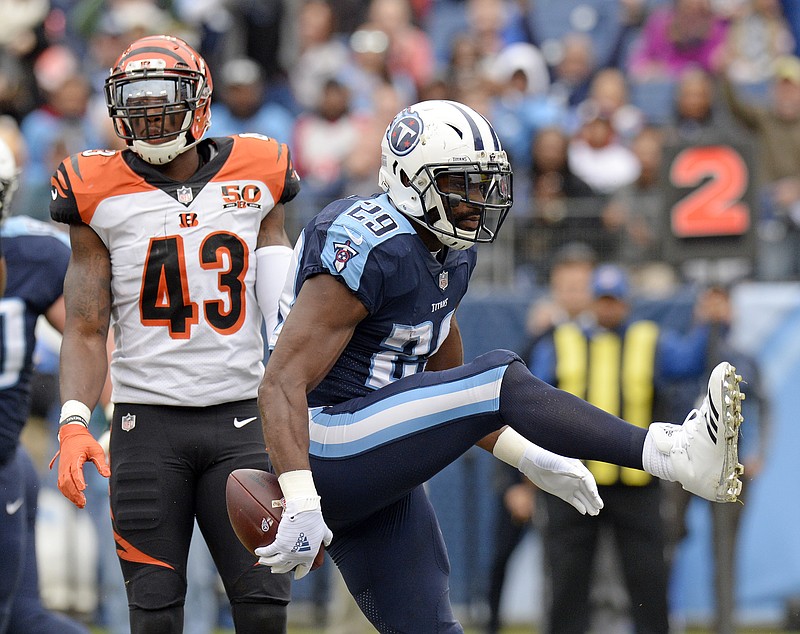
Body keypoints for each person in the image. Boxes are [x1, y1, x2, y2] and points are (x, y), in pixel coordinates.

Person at [254, 99, 745, 633]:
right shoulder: (369, 240)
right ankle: (669, 453)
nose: (477, 200)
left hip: (374, 459)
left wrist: (531, 458)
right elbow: (280, 382)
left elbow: (452, 393)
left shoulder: (449, 251)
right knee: (498, 374)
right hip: (324, 442)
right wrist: (300, 495)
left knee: (430, 627)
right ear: (408, 180)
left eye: (483, 183)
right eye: (460, 184)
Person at [48, 35, 299, 634]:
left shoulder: (259, 170)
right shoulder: (93, 187)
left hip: (244, 417)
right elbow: (86, 326)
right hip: (145, 425)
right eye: (137, 104)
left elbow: (284, 308)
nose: (150, 116)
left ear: (200, 102)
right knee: (154, 615)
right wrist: (76, 418)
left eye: (163, 103)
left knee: (264, 610)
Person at [529, 263, 719, 634]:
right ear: (592, 302)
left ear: (626, 304)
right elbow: (533, 397)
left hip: (637, 481)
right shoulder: (562, 339)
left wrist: (708, 322)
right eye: (602, 300)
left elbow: (689, 363)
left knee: (648, 576)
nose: (608, 308)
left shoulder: (649, 340)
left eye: (615, 301)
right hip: (575, 481)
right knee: (568, 578)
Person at [0, 136, 87, 633]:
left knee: (18, 617)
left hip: (4, 462)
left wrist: (111, 411)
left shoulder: (32, 252)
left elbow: (90, 334)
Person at [663, 283, 771, 634]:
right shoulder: (682, 355)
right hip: (680, 460)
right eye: (707, 305)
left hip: (728, 464)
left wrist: (755, 452)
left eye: (720, 305)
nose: (714, 314)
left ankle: (724, 626)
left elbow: (763, 404)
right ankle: (663, 619)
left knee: (724, 550)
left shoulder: (742, 358)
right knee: (665, 538)